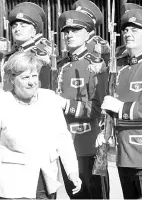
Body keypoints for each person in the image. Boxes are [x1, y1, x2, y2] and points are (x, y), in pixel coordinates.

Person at [0, 51, 81, 199]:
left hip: (45, 185)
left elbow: (63, 139)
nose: (31, 82)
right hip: (11, 188)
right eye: (25, 77)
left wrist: (72, 172)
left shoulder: (50, 99)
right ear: (12, 79)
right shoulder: (0, 104)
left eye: (34, 76)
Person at [100, 9, 142, 199]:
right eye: (126, 30)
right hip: (123, 150)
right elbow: (107, 102)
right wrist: (104, 129)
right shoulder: (119, 66)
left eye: (135, 30)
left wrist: (120, 108)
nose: (128, 33)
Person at [56, 10, 109, 199]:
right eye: (66, 31)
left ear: (87, 35)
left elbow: (97, 108)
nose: (69, 35)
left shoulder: (95, 65)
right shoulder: (61, 65)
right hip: (66, 145)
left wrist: (66, 105)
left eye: (76, 30)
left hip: (89, 144)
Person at [4, 2, 57, 91]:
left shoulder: (40, 52)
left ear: (34, 32)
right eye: (14, 26)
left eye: (23, 26)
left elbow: (45, 85)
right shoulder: (14, 52)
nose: (17, 29)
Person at [72, 0, 110, 65]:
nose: (80, 21)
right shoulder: (72, 40)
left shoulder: (100, 46)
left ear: (93, 21)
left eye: (84, 18)